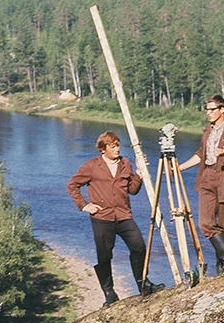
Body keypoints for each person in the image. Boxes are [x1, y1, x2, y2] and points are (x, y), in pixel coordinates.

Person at [67, 131, 165, 306]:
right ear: (103, 149)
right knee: (104, 256)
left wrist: (139, 173)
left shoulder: (125, 163)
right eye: (113, 146)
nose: (117, 149)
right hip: (102, 218)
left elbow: (132, 190)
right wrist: (85, 206)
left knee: (139, 247)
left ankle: (143, 284)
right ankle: (109, 293)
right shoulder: (91, 166)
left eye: (118, 145)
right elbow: (72, 185)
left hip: (123, 215)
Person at [178, 95, 224, 276]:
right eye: (207, 109)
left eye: (212, 109)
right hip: (208, 176)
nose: (208, 113)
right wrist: (179, 168)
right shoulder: (207, 131)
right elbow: (201, 154)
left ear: (222, 109)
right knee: (205, 223)